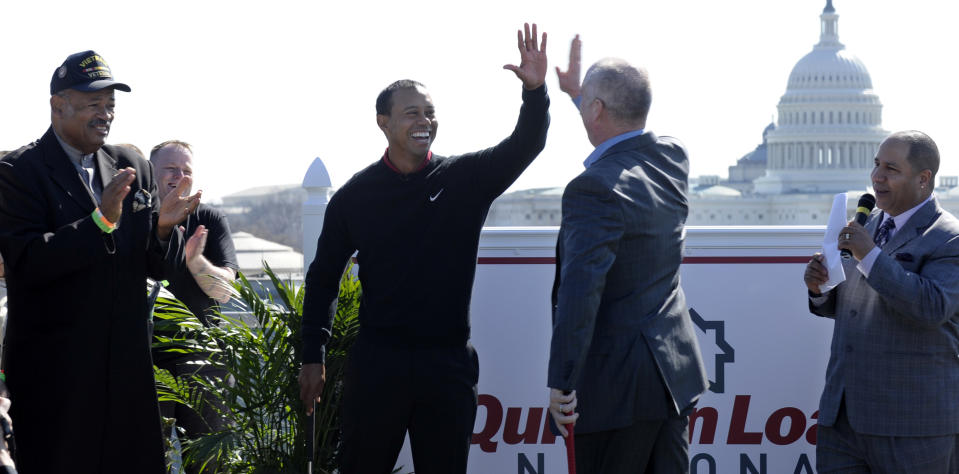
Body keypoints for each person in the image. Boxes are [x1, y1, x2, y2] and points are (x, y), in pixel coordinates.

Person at [298, 23, 550, 474]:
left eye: (430, 113)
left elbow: (524, 146)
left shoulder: (464, 180)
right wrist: (312, 354)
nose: (424, 122)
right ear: (384, 122)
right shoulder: (355, 197)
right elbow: (323, 278)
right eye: (412, 113)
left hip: (447, 364)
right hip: (379, 364)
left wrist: (535, 92)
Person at [0, 50, 200, 474]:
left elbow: (157, 267)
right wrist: (100, 221)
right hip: (56, 378)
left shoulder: (132, 166)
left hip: (126, 373)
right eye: (94, 104)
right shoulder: (17, 172)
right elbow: (29, 262)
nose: (105, 115)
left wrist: (164, 231)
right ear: (58, 106)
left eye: (110, 105)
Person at [546, 37, 708, 474]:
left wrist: (561, 383)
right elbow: (624, 128)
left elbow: (581, 295)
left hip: (614, 391)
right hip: (672, 378)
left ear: (596, 111)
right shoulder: (673, 158)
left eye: (588, 105)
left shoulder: (593, 188)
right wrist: (580, 96)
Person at [804, 131, 959, 473]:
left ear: (923, 179)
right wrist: (821, 290)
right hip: (843, 422)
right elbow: (857, 304)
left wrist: (869, 254)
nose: (877, 177)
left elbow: (932, 306)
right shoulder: (865, 226)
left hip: (913, 428)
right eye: (876, 165)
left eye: (891, 168)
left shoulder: (949, 237)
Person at [150, 140, 237, 472]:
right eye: (170, 169)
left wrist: (196, 260)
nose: (179, 177)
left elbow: (224, 293)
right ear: (150, 172)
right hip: (144, 356)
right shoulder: (132, 218)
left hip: (202, 358)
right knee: (143, 454)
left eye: (187, 170)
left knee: (209, 461)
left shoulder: (209, 218)